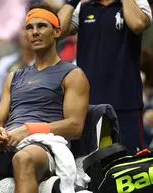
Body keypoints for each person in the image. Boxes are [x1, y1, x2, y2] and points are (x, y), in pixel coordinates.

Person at [0, 3, 89, 193]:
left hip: (43, 145)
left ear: (57, 31)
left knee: (23, 159)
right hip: (8, 144)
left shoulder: (73, 74)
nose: (34, 32)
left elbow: (75, 127)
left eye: (42, 26)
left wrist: (28, 130)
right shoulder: (13, 76)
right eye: (29, 27)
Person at [58, 0, 152, 153]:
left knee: (131, 165)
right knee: (89, 168)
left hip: (125, 103)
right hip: (89, 106)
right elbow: (57, 31)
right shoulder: (83, 7)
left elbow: (138, 23)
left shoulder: (136, 2)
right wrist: (72, 2)